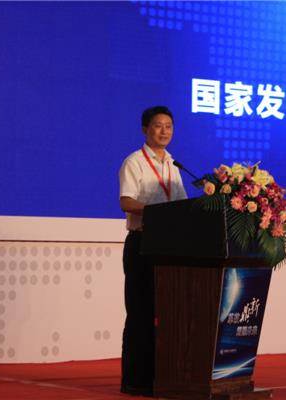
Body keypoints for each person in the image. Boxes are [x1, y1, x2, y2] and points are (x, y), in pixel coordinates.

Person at [118, 106, 187, 396]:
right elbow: (126, 201)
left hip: (168, 246)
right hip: (142, 243)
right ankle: (135, 381)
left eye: (169, 126)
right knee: (140, 312)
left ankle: (162, 376)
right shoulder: (134, 162)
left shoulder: (173, 164)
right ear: (145, 129)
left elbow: (182, 204)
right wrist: (157, 212)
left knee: (166, 313)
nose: (164, 131)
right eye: (158, 125)